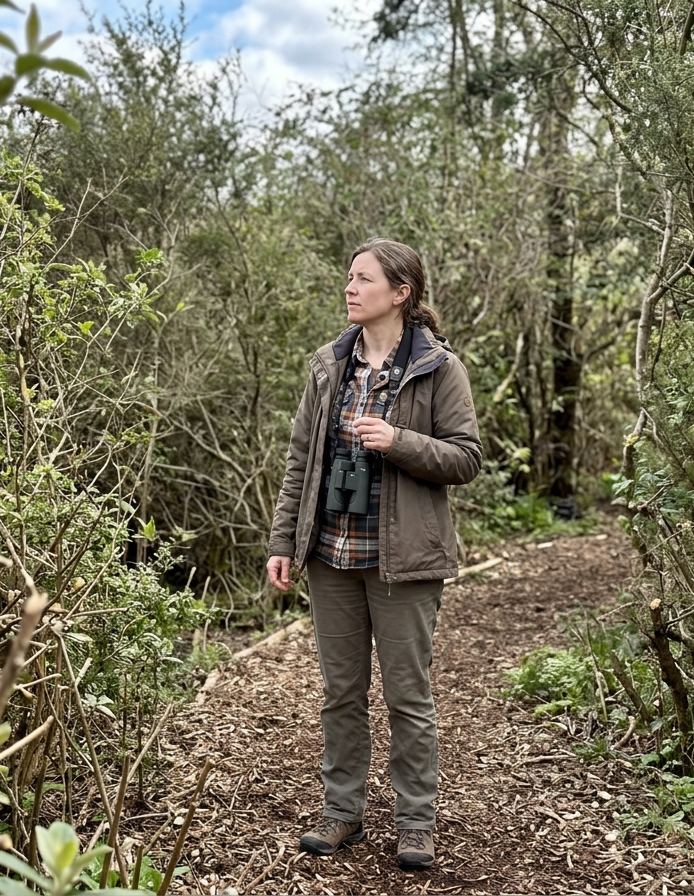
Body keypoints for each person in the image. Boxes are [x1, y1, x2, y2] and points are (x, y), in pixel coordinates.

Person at [266, 238, 481, 870]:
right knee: (340, 692)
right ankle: (343, 814)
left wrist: (398, 440)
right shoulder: (327, 366)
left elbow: (466, 457)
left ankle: (416, 822)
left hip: (404, 561)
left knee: (407, 697)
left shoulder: (439, 369)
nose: (350, 288)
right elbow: (299, 462)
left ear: (400, 292)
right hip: (331, 555)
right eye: (349, 278)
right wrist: (284, 543)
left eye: (362, 279)